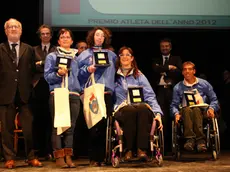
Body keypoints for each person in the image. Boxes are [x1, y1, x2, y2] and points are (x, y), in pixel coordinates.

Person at [0, 18, 43, 169]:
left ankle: (31, 157)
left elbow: (38, 69)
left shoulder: (29, 49)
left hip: (25, 94)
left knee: (29, 128)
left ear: (21, 31)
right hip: (5, 94)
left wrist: (32, 84)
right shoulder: (0, 48)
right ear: (6, 31)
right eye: (10, 27)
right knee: (7, 129)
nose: (13, 29)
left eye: (16, 27)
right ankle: (9, 158)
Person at [114, 46, 163, 161]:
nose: (125, 57)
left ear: (132, 58)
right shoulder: (113, 76)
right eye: (122, 55)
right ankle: (129, 150)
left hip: (140, 108)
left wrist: (157, 113)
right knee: (130, 110)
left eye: (128, 55)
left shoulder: (139, 76)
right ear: (119, 58)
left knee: (142, 108)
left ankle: (142, 149)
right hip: (122, 108)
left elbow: (150, 96)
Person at [77, 26, 117, 166]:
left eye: (102, 36)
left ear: (105, 38)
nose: (99, 38)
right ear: (92, 37)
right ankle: (94, 157)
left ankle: (105, 156)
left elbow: (116, 74)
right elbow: (77, 74)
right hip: (93, 93)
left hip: (106, 93)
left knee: (106, 126)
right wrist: (87, 69)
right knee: (94, 126)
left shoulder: (112, 55)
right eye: (97, 35)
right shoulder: (84, 54)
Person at [44, 28, 80, 168]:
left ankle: (68, 155)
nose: (65, 39)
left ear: (71, 41)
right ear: (58, 41)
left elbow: (80, 77)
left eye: (68, 37)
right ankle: (58, 156)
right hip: (58, 93)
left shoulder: (76, 57)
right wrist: (58, 74)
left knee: (71, 127)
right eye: (62, 37)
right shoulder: (52, 57)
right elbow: (47, 77)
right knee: (58, 127)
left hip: (74, 95)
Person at [170, 61, 219, 152]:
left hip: (202, 111)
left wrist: (212, 109)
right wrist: (176, 113)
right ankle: (190, 139)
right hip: (185, 112)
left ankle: (200, 140)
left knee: (196, 109)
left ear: (194, 71)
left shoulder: (204, 84)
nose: (187, 71)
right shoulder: (178, 87)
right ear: (182, 72)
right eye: (185, 70)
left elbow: (214, 99)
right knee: (187, 109)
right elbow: (174, 105)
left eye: (190, 69)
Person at [152, 38, 182, 154]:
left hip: (172, 90)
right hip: (159, 91)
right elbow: (155, 69)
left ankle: (172, 146)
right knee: (161, 117)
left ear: (170, 47)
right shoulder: (155, 59)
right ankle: (162, 146)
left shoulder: (176, 59)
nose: (164, 48)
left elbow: (179, 72)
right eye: (162, 46)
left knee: (172, 117)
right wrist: (169, 68)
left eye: (166, 46)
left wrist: (163, 69)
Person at [32, 24, 56, 160]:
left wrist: (41, 63)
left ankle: (49, 150)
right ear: (39, 35)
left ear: (51, 36)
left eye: (47, 33)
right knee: (38, 118)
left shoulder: (56, 49)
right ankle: (38, 150)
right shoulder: (32, 50)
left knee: (51, 119)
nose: (45, 36)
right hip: (37, 85)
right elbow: (31, 66)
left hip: (52, 84)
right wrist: (44, 63)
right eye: (43, 34)